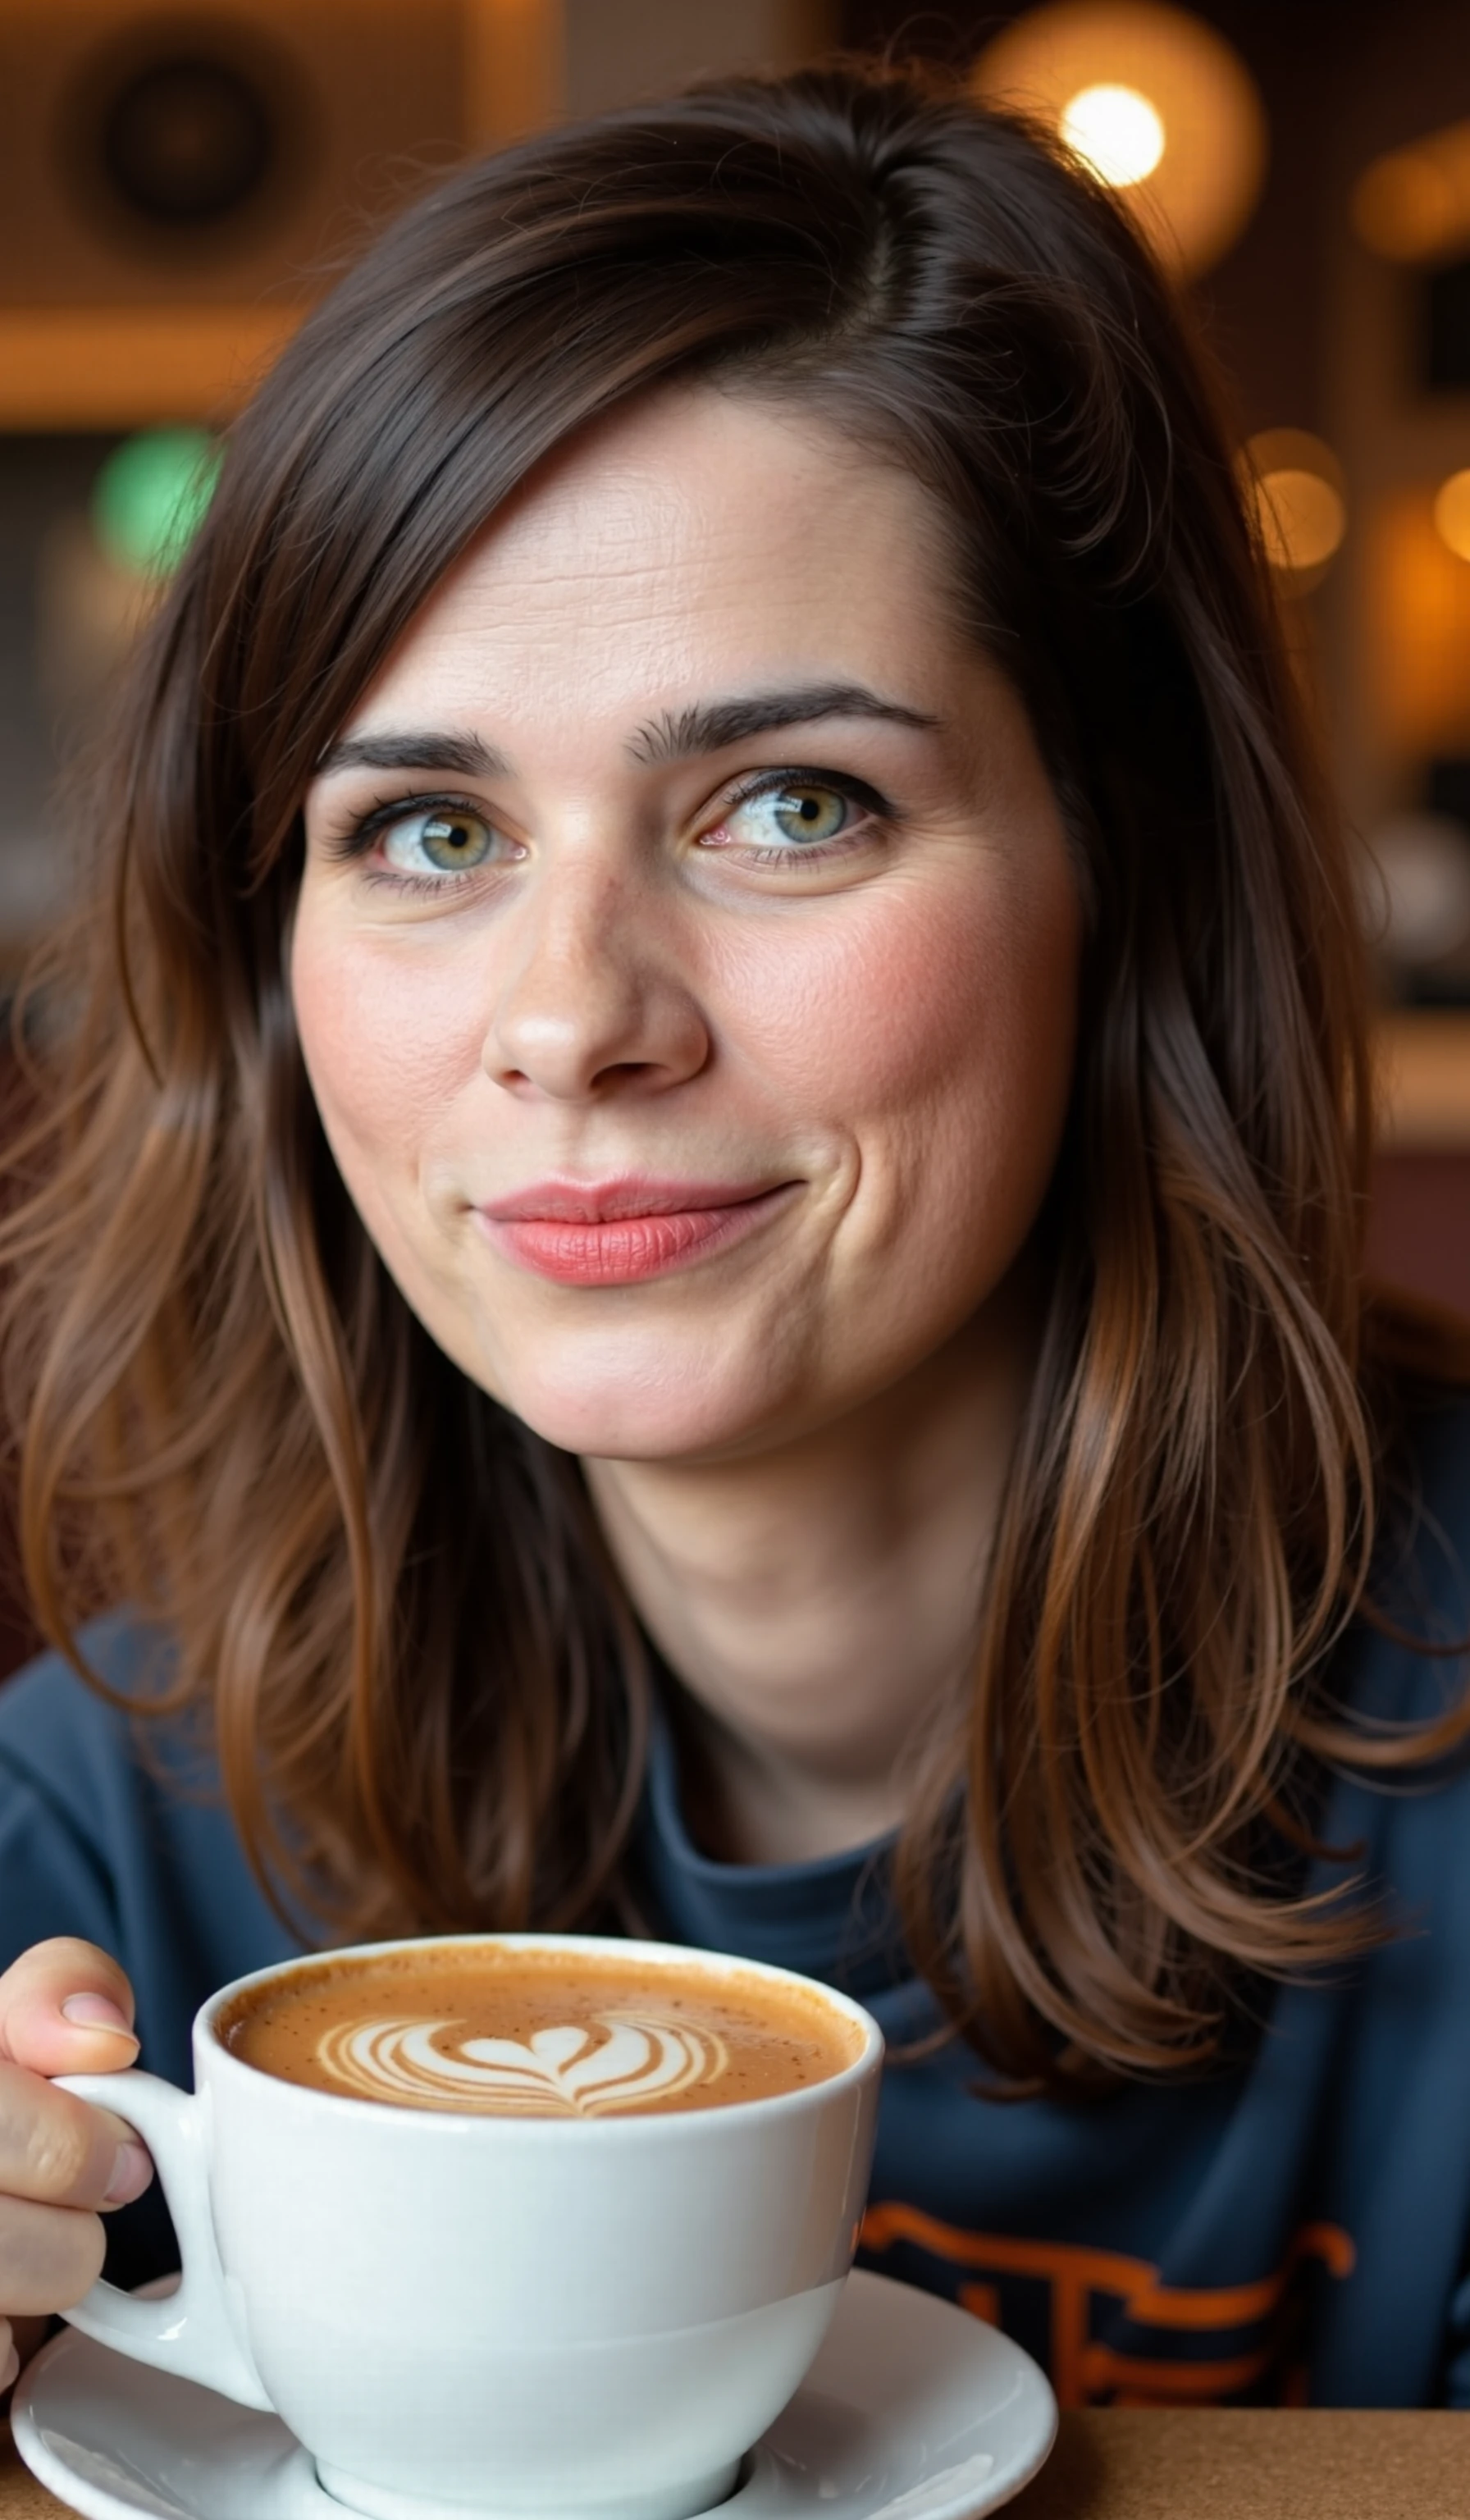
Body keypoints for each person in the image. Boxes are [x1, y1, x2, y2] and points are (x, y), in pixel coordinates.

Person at [0, 57, 1468, 2417]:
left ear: (1135, 881)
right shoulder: (97, 1831)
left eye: (793, 805)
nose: (575, 1020)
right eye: (428, 834)